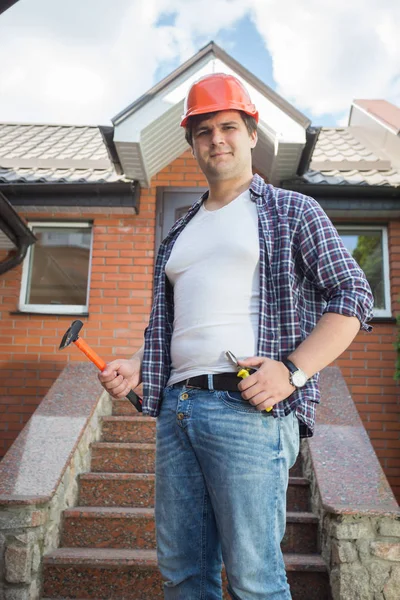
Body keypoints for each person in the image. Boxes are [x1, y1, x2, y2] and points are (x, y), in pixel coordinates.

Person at [99, 73, 374, 600]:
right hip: (176, 408)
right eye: (203, 131)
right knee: (183, 575)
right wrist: (138, 362)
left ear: (252, 134)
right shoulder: (180, 229)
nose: (216, 140)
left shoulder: (291, 210)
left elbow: (353, 296)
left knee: (254, 579)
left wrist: (292, 371)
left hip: (246, 408)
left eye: (228, 126)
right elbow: (174, 324)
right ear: (192, 144)